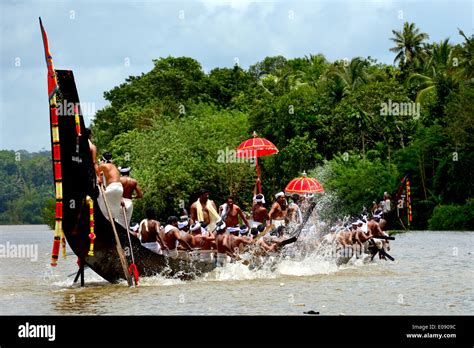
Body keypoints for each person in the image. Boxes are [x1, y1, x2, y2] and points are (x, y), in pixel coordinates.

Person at [97, 152, 123, 221]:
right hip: (120, 188)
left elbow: (98, 180)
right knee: (112, 212)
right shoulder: (114, 167)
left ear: (103, 160)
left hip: (113, 188)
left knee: (100, 203)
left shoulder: (103, 166)